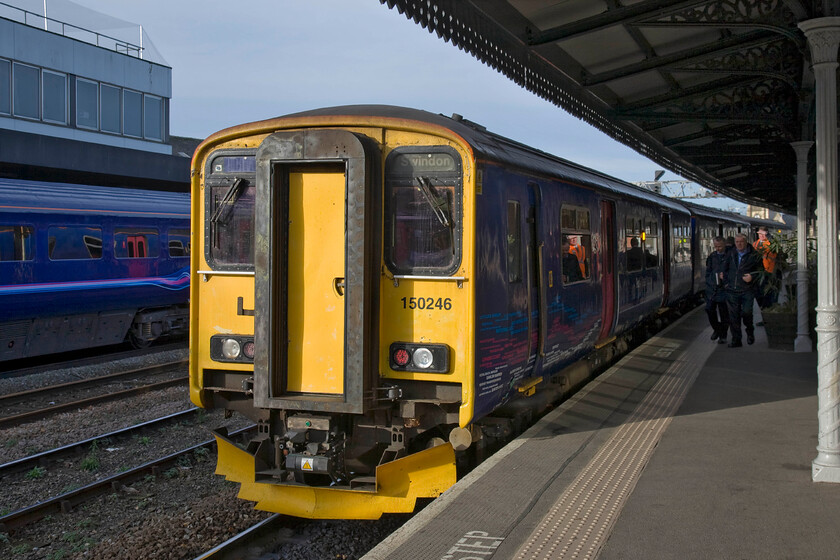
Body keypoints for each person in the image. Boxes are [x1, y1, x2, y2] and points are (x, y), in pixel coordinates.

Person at [722, 233, 763, 347]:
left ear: (746, 242)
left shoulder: (754, 255)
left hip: (747, 290)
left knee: (747, 313)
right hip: (732, 290)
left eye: (741, 242)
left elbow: (761, 272)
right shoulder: (730, 254)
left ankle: (750, 331)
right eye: (737, 242)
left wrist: (752, 277)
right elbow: (724, 269)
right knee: (733, 317)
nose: (739, 244)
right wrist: (726, 283)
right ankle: (736, 340)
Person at [705, 236, 730, 343]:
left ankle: (723, 335)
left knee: (724, 313)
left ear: (724, 244)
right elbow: (708, 272)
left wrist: (726, 278)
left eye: (720, 246)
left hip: (725, 289)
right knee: (709, 309)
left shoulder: (730, 256)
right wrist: (711, 281)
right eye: (716, 246)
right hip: (713, 289)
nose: (718, 248)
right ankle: (717, 329)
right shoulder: (712, 257)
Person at [752, 226, 778, 309]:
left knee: (769, 291)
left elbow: (776, 253)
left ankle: (768, 307)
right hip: (759, 272)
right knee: (759, 291)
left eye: (763, 234)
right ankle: (762, 307)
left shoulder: (771, 244)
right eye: (760, 234)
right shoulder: (755, 244)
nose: (761, 236)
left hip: (770, 271)